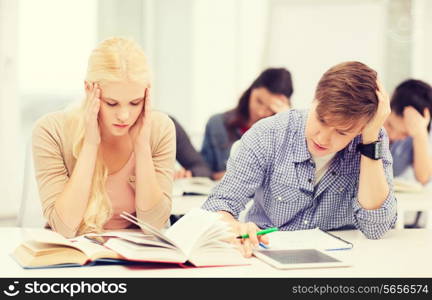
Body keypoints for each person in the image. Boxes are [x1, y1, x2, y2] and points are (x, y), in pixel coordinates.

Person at [202, 61, 397, 257]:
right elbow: (218, 205)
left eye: (342, 132)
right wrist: (234, 227)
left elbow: (375, 228)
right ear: (314, 100)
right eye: (321, 120)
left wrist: (371, 140)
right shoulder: (268, 134)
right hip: (265, 257)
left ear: (361, 129)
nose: (323, 138)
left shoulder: (371, 139)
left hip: (342, 261)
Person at [32, 37, 176, 238]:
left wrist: (141, 147)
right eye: (111, 103)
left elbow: (153, 225)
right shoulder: (51, 130)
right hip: (74, 256)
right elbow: (64, 227)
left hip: (139, 259)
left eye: (135, 103)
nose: (124, 115)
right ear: (89, 90)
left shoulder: (159, 128)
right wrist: (90, 145)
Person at [201, 68, 293, 180]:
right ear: (251, 91)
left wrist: (288, 123)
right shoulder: (217, 124)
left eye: (270, 108)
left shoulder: (282, 132)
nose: (261, 112)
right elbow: (204, 171)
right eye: (259, 101)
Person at [384, 79, 432, 228]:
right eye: (390, 125)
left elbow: (424, 177)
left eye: (405, 134)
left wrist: (420, 134)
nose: (394, 135)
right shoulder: (370, 124)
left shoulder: (411, 138)